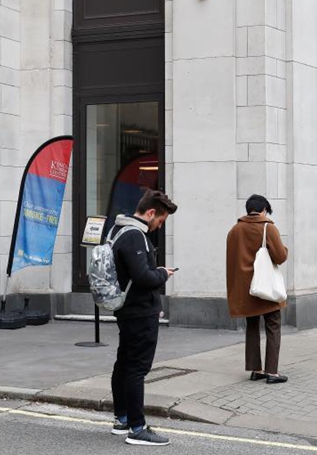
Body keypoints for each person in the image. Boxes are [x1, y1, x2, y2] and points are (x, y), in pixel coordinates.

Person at [110, 189, 177, 446]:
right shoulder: (135, 236)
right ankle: (137, 428)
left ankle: (122, 419)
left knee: (124, 363)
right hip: (139, 312)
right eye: (160, 221)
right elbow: (143, 277)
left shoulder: (118, 230)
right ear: (151, 213)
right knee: (137, 368)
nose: (159, 226)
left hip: (126, 310)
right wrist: (162, 273)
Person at [226, 194, 289, 384]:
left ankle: (256, 369)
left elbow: (232, 262)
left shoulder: (235, 230)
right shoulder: (268, 228)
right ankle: (272, 372)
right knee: (273, 326)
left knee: (252, 327)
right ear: (263, 210)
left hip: (246, 289)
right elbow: (280, 256)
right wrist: (284, 249)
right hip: (265, 287)